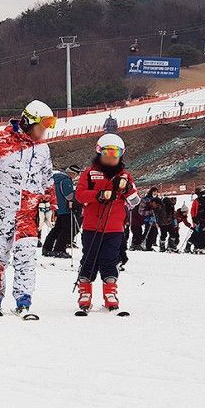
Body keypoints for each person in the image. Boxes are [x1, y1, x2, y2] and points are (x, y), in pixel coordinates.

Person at [0, 100, 57, 319]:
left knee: (26, 258)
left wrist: (51, 204)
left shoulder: (42, 148)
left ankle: (23, 300)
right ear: (29, 121)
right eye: (42, 126)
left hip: (29, 213)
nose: (44, 131)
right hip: (3, 210)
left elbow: (47, 179)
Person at [75, 134, 140, 313]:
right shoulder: (89, 173)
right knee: (89, 259)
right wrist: (98, 195)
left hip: (115, 228)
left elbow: (135, 202)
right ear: (99, 152)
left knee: (110, 260)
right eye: (108, 153)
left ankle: (110, 293)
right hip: (91, 227)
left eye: (116, 154)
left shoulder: (125, 176)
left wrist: (127, 189)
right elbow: (79, 196)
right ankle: (85, 293)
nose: (112, 157)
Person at [42, 164, 82, 258]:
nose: (75, 177)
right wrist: (76, 194)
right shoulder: (66, 180)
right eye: (75, 175)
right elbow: (69, 196)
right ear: (72, 173)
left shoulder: (55, 179)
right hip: (67, 208)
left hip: (58, 207)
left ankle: (47, 247)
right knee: (66, 230)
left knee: (57, 228)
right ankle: (59, 249)